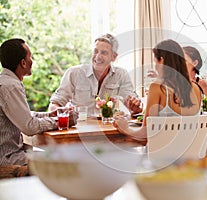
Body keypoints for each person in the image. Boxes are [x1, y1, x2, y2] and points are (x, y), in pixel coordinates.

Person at [0, 38, 77, 166]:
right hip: (8, 158)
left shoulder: (5, 82)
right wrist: (60, 121)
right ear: (23, 63)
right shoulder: (11, 86)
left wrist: (49, 115)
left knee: (55, 154)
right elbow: (29, 127)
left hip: (14, 152)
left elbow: (22, 116)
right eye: (31, 57)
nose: (32, 61)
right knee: (63, 160)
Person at [113, 39, 202, 141]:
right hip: (190, 155)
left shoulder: (157, 88)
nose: (155, 66)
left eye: (155, 62)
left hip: (162, 156)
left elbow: (144, 134)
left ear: (162, 60)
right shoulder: (196, 88)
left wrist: (125, 127)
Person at [48, 33, 142, 116]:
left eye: (104, 53)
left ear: (113, 57)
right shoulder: (74, 73)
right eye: (95, 51)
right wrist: (62, 114)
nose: (98, 56)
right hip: (79, 129)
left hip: (108, 130)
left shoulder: (121, 74)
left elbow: (133, 107)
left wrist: (135, 106)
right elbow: (55, 104)